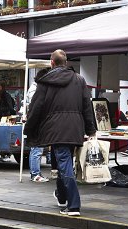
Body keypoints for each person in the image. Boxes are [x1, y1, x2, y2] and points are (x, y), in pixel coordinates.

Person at [24, 49, 96, 216]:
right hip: (75, 129)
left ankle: (73, 205)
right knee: (61, 162)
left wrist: (29, 129)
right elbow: (87, 106)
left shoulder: (45, 82)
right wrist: (90, 129)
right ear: (66, 62)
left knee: (64, 163)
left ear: (52, 62)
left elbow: (36, 109)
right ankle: (61, 196)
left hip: (55, 129)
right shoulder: (79, 80)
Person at [27, 68, 52, 182]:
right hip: (37, 123)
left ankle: (36, 173)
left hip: (38, 122)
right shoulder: (35, 89)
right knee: (36, 150)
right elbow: (36, 107)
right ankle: (35, 174)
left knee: (37, 149)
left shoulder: (37, 88)